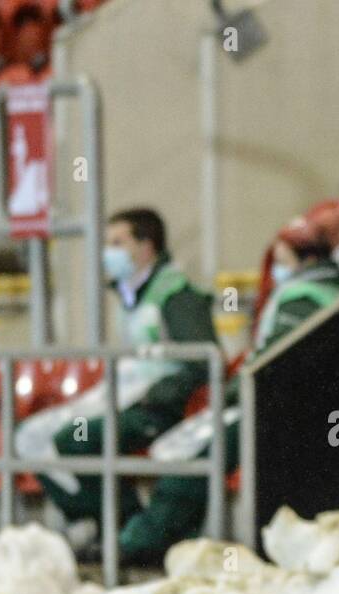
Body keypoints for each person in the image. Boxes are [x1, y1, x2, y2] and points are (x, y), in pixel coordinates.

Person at [131, 207, 339, 560]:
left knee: (200, 451)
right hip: (291, 403)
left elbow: (273, 359)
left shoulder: (303, 296)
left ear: (301, 256)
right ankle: (170, 541)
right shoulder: (333, 288)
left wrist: (229, 393)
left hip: (276, 406)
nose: (275, 267)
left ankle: (146, 542)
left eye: (280, 257)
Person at [17, 207, 216, 559]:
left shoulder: (177, 294)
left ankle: (125, 526)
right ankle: (96, 520)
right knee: (31, 436)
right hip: (129, 399)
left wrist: (158, 396)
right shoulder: (131, 294)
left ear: (146, 246)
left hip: (161, 410)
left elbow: (202, 360)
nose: (108, 252)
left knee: (77, 439)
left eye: (117, 242)